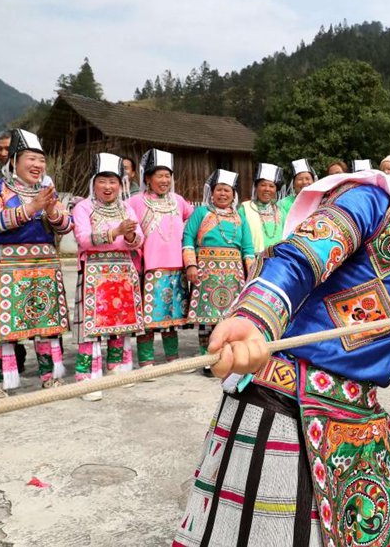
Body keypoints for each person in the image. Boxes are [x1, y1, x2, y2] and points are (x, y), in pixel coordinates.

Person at [174, 96, 390, 547]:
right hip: (285, 402)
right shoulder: (370, 200)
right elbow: (300, 257)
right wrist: (256, 319)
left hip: (355, 408)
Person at [0, 130, 73, 401]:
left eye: (41, 160)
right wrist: (30, 208)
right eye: (31, 158)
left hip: (43, 264)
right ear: (15, 160)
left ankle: (50, 378)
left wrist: (53, 210)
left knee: (47, 327)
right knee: (1, 330)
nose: (37, 165)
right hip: (5, 264)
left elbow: (66, 226)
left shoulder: (47, 191)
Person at [71, 153, 144, 401]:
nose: (108, 186)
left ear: (120, 183)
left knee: (120, 324)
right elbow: (83, 239)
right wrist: (116, 232)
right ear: (93, 182)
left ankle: (116, 368)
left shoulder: (127, 207)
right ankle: (86, 378)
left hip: (123, 269)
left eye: (113, 181)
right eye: (102, 181)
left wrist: (131, 237)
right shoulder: (82, 207)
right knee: (90, 328)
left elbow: (138, 238)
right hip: (94, 271)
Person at [128, 149, 194, 368]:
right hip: (149, 269)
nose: (165, 180)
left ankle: (172, 358)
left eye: (168, 175)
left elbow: (194, 221)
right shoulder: (136, 202)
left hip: (177, 268)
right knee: (147, 318)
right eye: (159, 175)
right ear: (147, 178)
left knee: (172, 317)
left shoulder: (178, 200)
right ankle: (146, 360)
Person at [183, 170, 255, 368]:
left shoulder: (239, 217)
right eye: (219, 190)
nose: (223, 194)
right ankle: (207, 357)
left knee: (230, 316)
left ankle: (229, 356)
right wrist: (191, 264)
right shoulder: (201, 213)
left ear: (234, 195)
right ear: (211, 193)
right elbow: (188, 238)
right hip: (206, 269)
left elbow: (247, 248)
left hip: (233, 272)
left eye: (227, 191)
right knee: (207, 316)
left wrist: (251, 273)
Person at [0, 131, 28, 374]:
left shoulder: (44, 184)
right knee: (5, 315)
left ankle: (50, 370)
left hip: (38, 261)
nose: (1, 153)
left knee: (40, 316)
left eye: (6, 149)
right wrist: (31, 209)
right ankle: (5, 369)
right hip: (3, 259)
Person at [238, 163, 285, 253]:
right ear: (256, 187)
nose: (267, 189)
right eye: (263, 185)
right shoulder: (245, 209)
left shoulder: (281, 211)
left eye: (271, 186)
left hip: (277, 260)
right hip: (252, 259)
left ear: (276, 190)